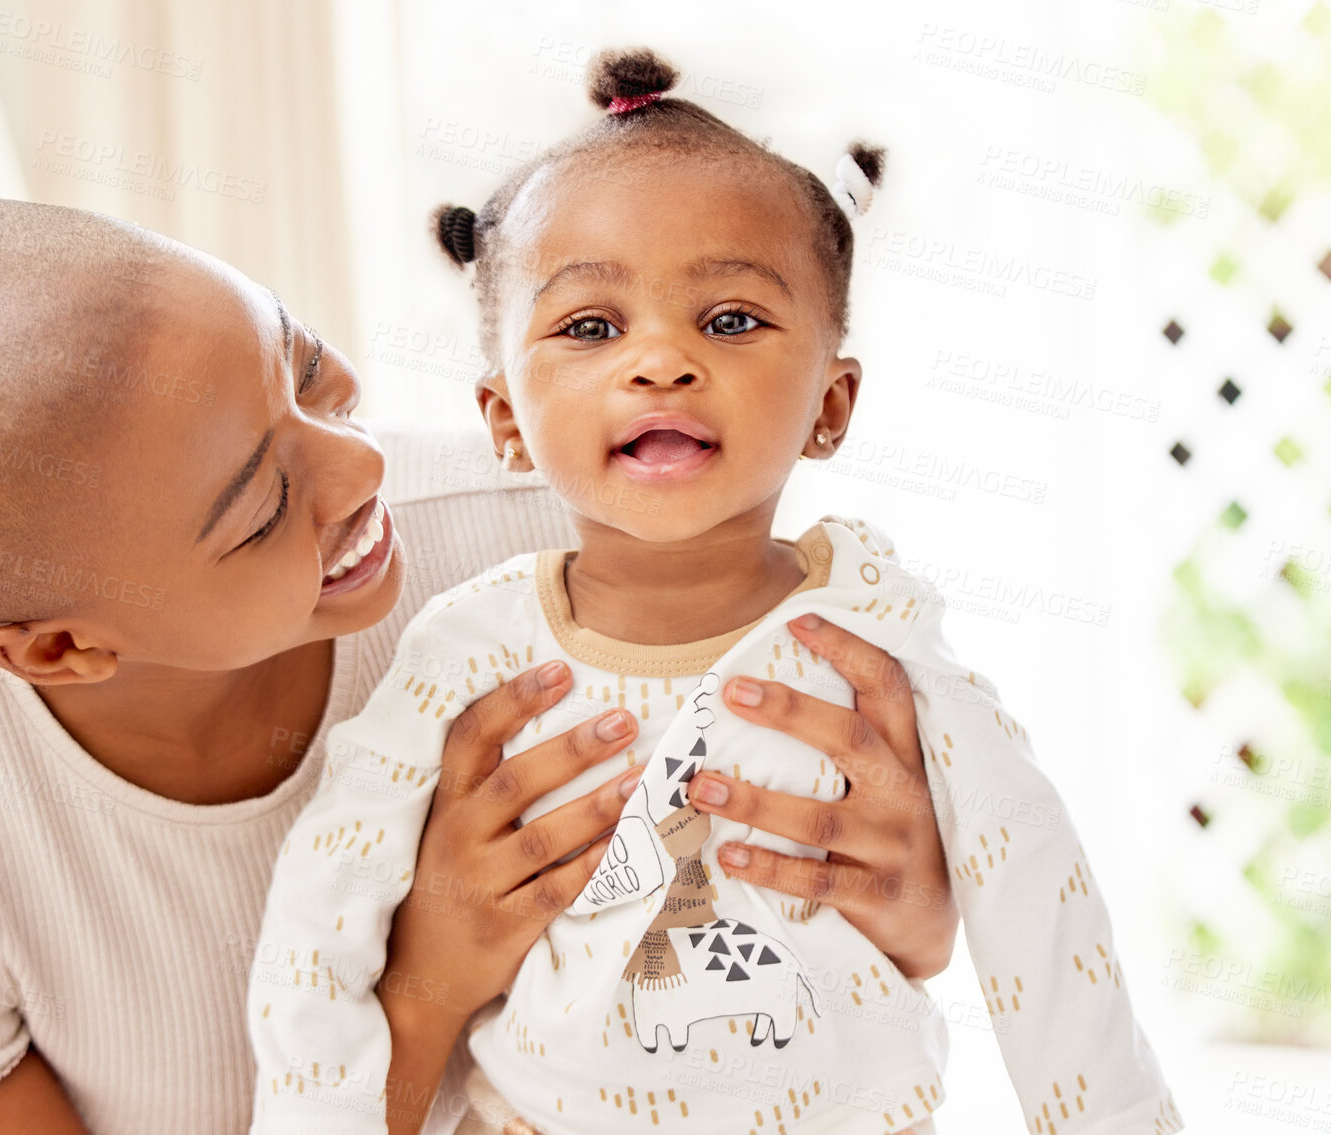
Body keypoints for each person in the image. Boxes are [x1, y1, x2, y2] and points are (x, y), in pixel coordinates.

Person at [0, 196, 960, 1135]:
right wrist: (418, 993)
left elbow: (819, 992)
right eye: (264, 507)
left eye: (305, 368)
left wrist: (912, 907)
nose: (359, 470)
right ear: (62, 648)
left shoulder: (563, 539)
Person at [247, 49, 1184, 1135]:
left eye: (729, 320)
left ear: (830, 405)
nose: (659, 361)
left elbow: (1031, 887)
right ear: (503, 419)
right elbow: (319, 922)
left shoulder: (872, 628)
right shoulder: (466, 648)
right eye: (590, 327)